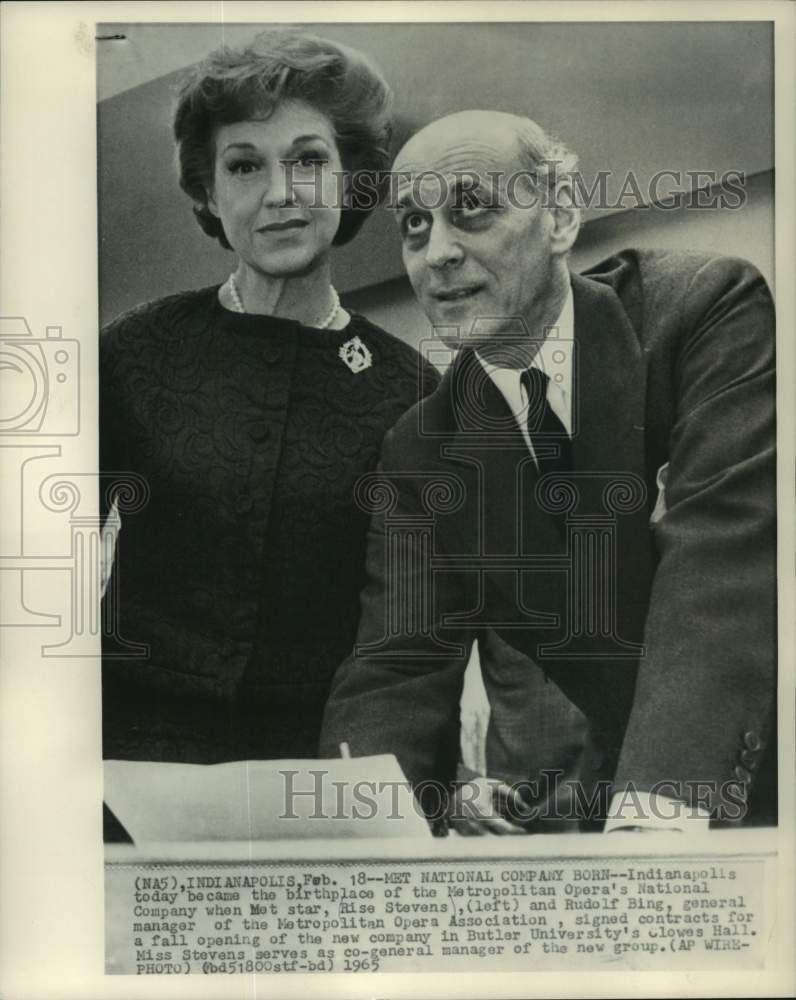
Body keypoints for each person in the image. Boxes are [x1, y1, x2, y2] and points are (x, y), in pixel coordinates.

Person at [320, 110, 776, 831]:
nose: (437, 252)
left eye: (472, 208)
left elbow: (721, 563)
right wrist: (350, 835)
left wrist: (655, 823)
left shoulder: (703, 310)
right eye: (414, 224)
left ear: (560, 216)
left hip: (714, 769)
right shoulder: (421, 448)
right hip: (630, 785)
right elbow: (397, 666)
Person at [99, 29, 439, 767]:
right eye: (245, 165)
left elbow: (416, 638)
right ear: (208, 192)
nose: (281, 193)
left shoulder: (410, 390)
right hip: (126, 760)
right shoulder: (133, 350)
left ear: (352, 179)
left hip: (322, 767)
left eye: (309, 160)